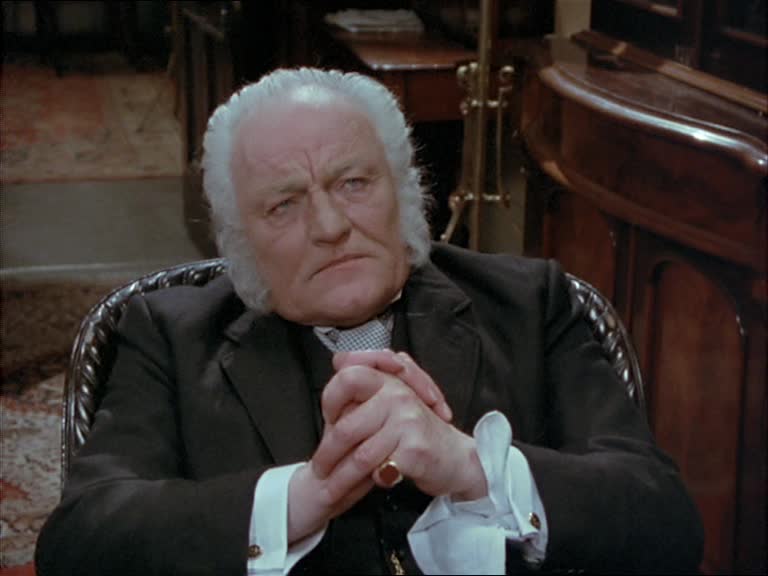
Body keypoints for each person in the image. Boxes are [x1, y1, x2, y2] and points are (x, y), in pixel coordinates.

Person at [36, 68, 703, 575]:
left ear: (404, 191)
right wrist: (302, 498)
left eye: (353, 183)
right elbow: (80, 542)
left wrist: (472, 467)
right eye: (284, 205)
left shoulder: (532, 304)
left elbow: (664, 522)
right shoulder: (167, 335)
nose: (330, 226)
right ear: (239, 239)